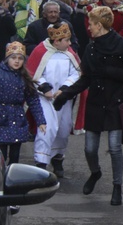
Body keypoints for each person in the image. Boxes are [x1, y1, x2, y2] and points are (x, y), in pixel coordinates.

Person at [53, 6, 123, 206]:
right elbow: (85, 79)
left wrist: (108, 71)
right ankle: (95, 172)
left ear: (99, 25)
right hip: (95, 101)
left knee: (114, 147)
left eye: (91, 24)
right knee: (90, 148)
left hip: (116, 101)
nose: (88, 28)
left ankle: (117, 186)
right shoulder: (91, 47)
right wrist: (65, 95)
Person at [26, 22, 81, 176]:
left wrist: (65, 88)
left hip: (63, 99)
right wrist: (45, 88)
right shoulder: (40, 51)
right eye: (66, 40)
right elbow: (32, 73)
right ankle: (41, 164)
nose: (70, 44)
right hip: (45, 99)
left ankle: (58, 159)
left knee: (63, 130)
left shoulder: (69, 53)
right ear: (56, 41)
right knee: (47, 129)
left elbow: (76, 73)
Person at [0, 42, 47, 164]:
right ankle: (1, 180)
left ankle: (12, 180)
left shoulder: (24, 76)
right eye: (13, 58)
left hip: (17, 118)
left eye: (20, 58)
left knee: (15, 156)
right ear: (7, 59)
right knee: (1, 155)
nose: (17, 61)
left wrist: (41, 120)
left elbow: (33, 100)